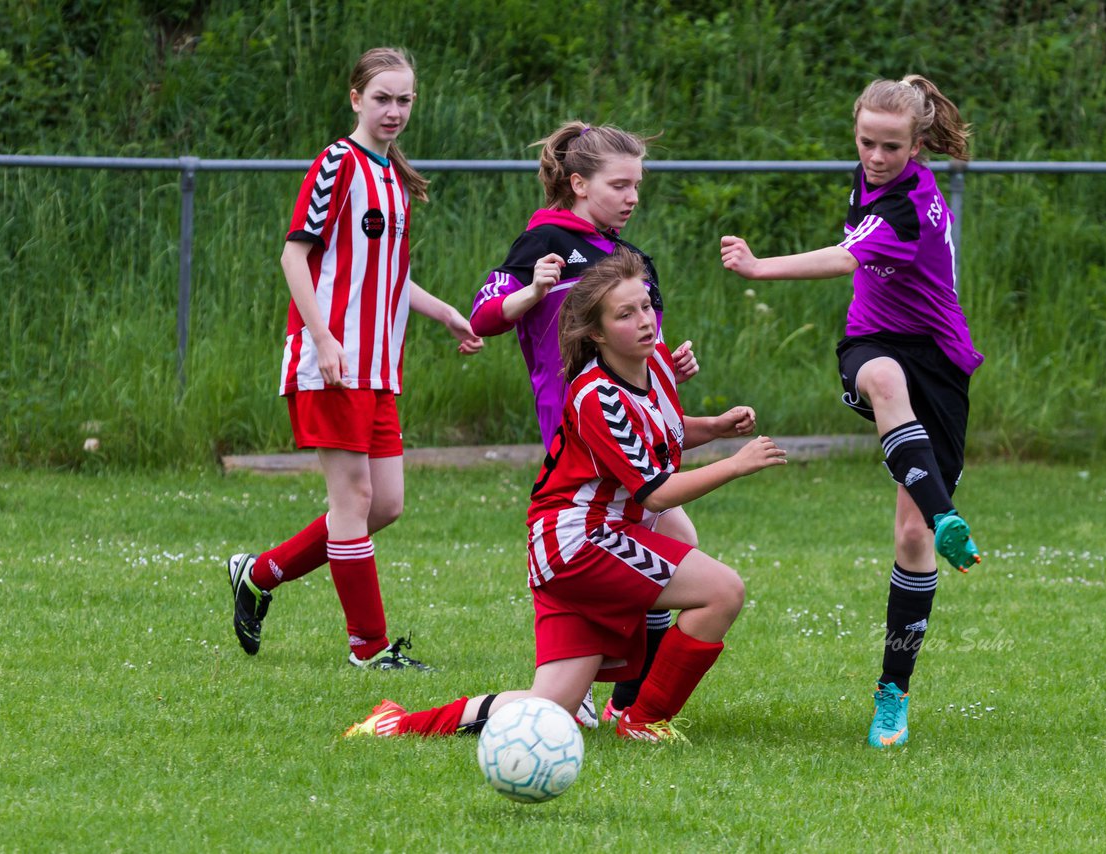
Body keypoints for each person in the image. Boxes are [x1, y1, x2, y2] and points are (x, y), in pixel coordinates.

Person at [343, 249, 787, 742]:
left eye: (645, 307)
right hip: (579, 543)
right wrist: (735, 464)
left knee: (550, 706)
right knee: (722, 591)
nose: (644, 321)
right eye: (625, 314)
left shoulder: (654, 362)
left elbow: (657, 430)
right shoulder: (596, 396)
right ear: (596, 334)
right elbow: (655, 493)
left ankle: (397, 723)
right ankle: (642, 721)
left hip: (572, 542)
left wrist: (715, 428)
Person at [720, 75, 982, 749]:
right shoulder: (868, 176)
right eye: (866, 141)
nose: (874, 156)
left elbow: (844, 257)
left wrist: (757, 267)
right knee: (883, 380)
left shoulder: (911, 205)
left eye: (891, 146)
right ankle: (947, 510)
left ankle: (892, 693)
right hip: (874, 341)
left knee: (910, 539)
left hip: (942, 361)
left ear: (918, 144)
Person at [226, 47, 483, 671]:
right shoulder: (337, 164)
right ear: (355, 100)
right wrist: (322, 338)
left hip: (377, 365)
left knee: (384, 506)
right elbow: (294, 258)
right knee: (353, 499)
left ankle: (258, 574)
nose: (394, 111)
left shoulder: (393, 176)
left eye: (405, 100)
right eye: (382, 99)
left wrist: (445, 311)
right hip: (332, 362)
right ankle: (368, 649)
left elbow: (389, 277)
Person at [469, 121, 699, 726]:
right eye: (618, 185)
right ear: (577, 183)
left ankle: (616, 693)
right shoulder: (543, 242)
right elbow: (484, 315)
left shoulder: (628, 258)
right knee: (663, 549)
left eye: (637, 186)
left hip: (626, 431)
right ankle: (622, 699)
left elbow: (633, 351)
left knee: (671, 546)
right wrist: (533, 290)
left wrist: (670, 365)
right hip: (582, 438)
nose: (631, 197)